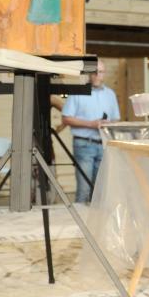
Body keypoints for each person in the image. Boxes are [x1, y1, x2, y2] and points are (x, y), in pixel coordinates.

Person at [62, 62, 120, 203]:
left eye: (101, 72)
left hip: (104, 145)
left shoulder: (110, 94)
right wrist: (91, 124)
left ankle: (96, 223)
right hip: (84, 145)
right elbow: (66, 118)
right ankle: (79, 223)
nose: (97, 75)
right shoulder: (78, 92)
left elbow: (116, 119)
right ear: (89, 73)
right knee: (84, 189)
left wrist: (107, 124)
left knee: (100, 190)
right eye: (95, 72)